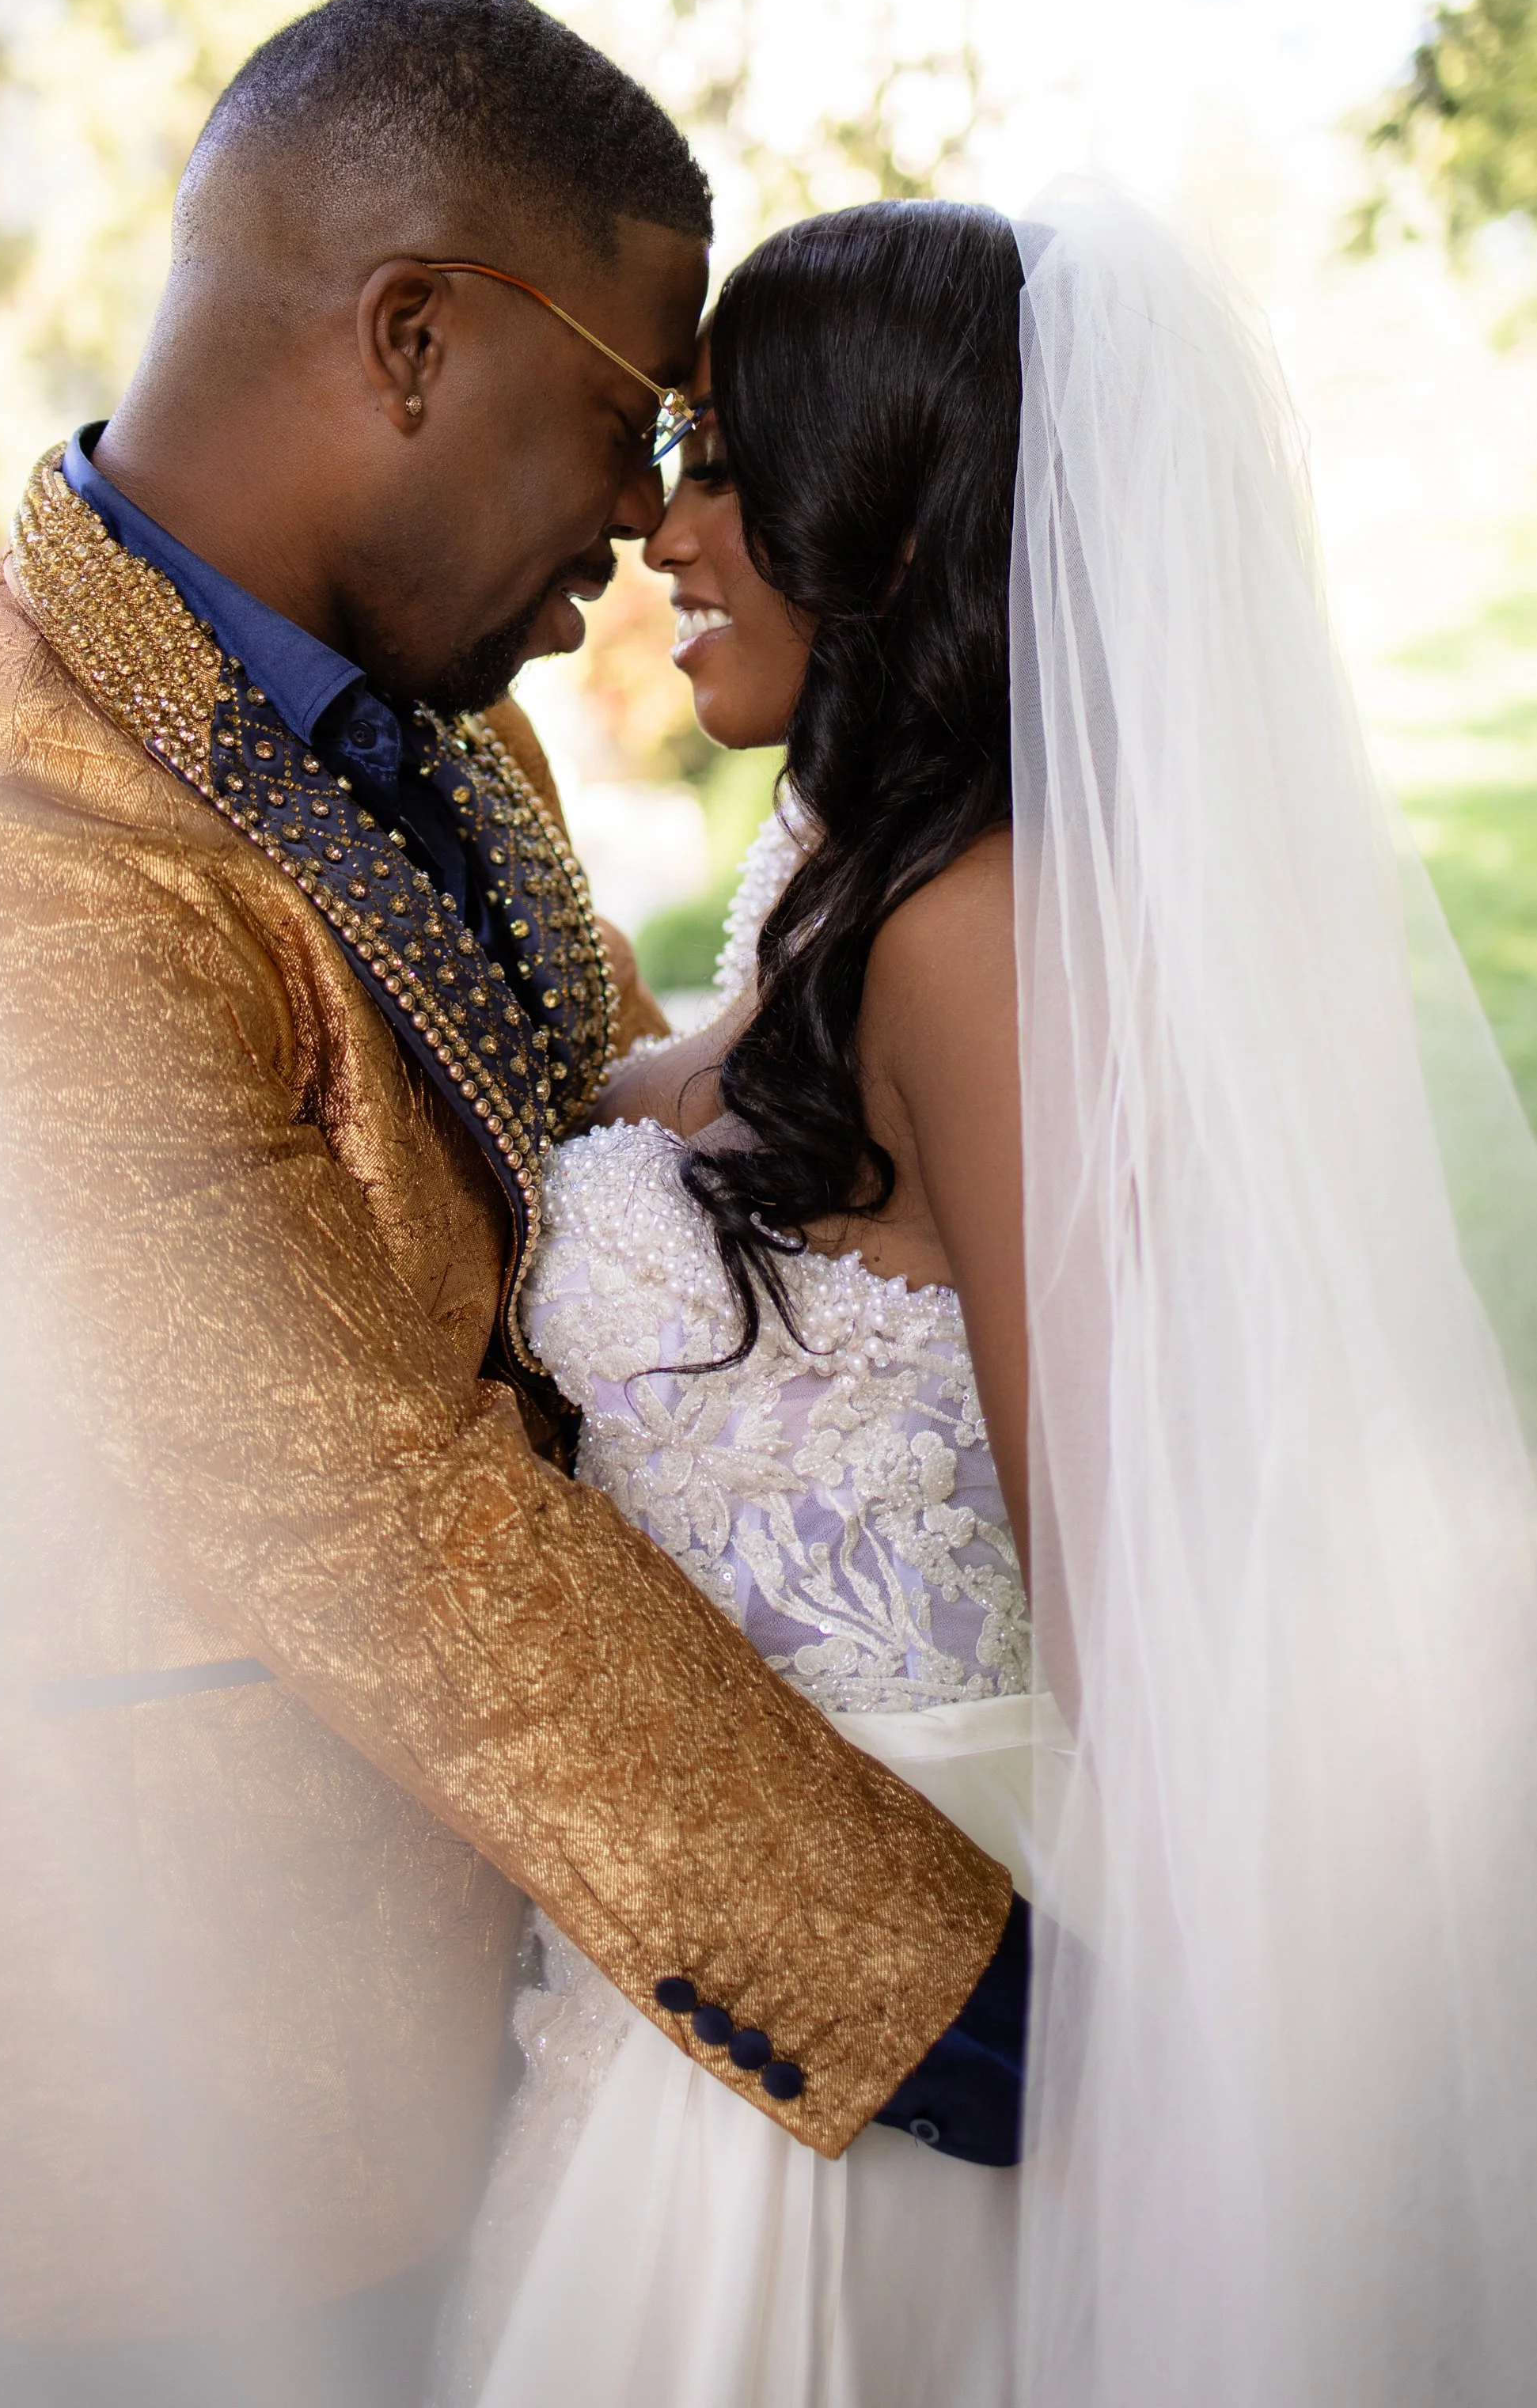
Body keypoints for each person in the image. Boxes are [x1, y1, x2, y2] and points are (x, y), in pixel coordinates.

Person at [0, 0, 1022, 2408]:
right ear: (410, 338)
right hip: (82, 2180)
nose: (643, 510)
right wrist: (951, 1983)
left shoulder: (445, 715)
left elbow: (609, 1129)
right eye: (630, 418)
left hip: (428, 2087)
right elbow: (379, 1509)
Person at [436, 188, 1537, 2407]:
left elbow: (1135, 1606)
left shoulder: (974, 931)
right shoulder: (840, 877)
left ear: (903, 517)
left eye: (735, 463)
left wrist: (1162, 2172)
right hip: (698, 1968)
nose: (668, 527)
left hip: (898, 2006)